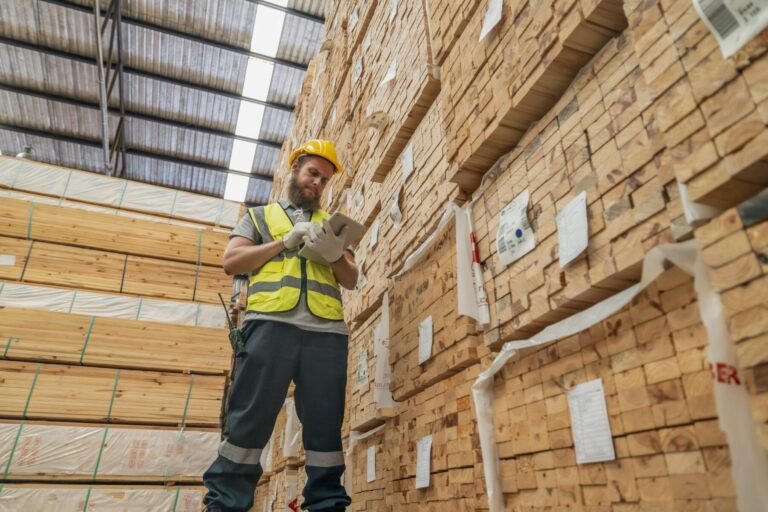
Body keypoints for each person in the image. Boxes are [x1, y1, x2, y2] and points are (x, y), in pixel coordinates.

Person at [203, 140, 357, 512]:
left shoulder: (334, 225)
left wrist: (336, 255)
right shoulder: (259, 217)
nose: (317, 183)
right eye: (312, 173)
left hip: (326, 334)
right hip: (270, 326)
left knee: (324, 426)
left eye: (324, 178)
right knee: (249, 421)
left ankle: (327, 504)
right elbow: (232, 262)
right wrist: (283, 243)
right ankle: (226, 504)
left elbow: (350, 279)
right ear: (295, 170)